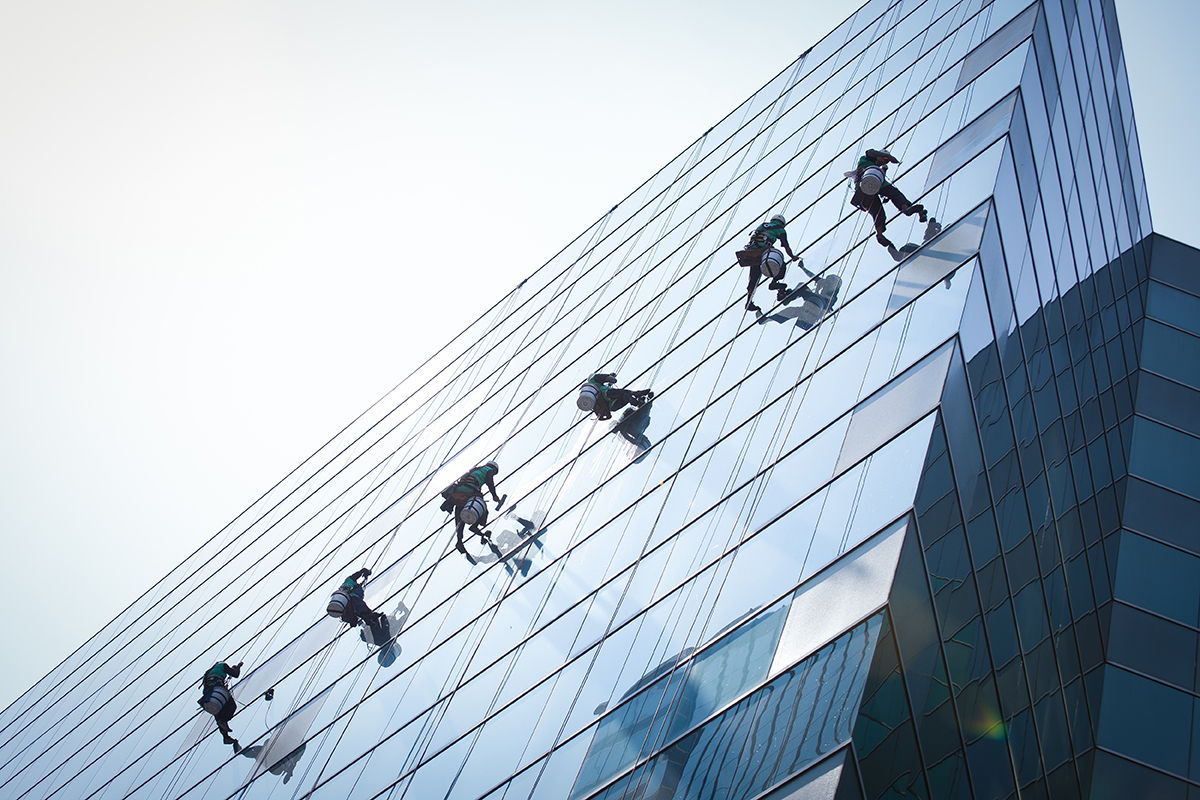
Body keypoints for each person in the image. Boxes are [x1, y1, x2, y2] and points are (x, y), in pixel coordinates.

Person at [847, 149, 928, 248]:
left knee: (883, 205)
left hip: (874, 185)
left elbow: (881, 178)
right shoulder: (865, 159)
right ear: (879, 156)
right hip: (866, 184)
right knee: (889, 197)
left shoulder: (878, 169)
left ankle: (905, 211)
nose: (884, 162)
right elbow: (870, 152)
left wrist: (884, 169)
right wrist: (889, 157)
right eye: (884, 160)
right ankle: (882, 231)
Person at [737, 214, 800, 312]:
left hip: (753, 252)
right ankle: (775, 284)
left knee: (754, 277)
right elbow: (786, 246)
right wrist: (793, 257)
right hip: (764, 251)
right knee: (781, 265)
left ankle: (748, 302)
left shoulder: (763, 225)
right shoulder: (780, 230)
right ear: (782, 223)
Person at [440, 461, 504, 553]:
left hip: (457, 493)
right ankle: (474, 526)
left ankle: (459, 541)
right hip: (470, 491)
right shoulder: (488, 470)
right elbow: (490, 482)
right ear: (493, 468)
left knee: (460, 517)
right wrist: (494, 495)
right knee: (482, 509)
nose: (493, 474)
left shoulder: (476, 469)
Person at [334, 568, 389, 644]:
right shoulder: (349, 584)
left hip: (348, 610)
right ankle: (371, 619)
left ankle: (370, 620)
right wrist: (363, 572)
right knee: (364, 611)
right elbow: (354, 576)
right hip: (352, 602)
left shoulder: (345, 590)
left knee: (364, 614)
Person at [198, 660, 243, 750]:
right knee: (231, 706)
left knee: (218, 711)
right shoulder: (223, 665)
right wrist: (237, 667)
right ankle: (223, 723)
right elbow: (235, 674)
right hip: (216, 688)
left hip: (209, 692)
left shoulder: (209, 671)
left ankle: (226, 737)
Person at [577, 373, 653, 421]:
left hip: (613, 406)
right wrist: (610, 376)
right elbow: (611, 379)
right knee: (624, 392)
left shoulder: (593, 390)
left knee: (625, 395)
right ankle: (637, 394)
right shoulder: (594, 378)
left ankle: (638, 402)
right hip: (608, 394)